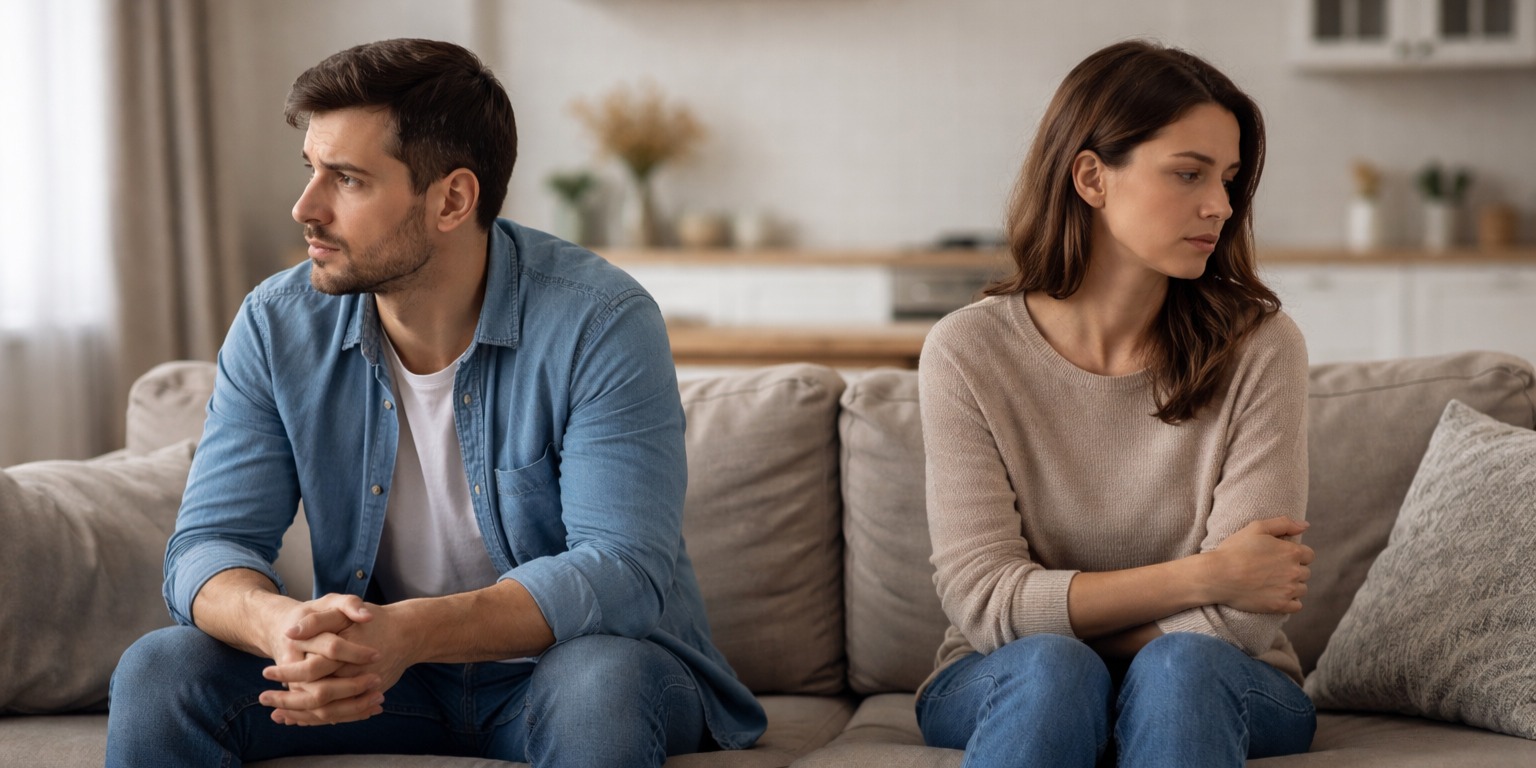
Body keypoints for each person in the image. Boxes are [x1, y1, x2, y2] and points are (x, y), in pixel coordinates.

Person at [106, 38, 765, 767]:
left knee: (599, 681)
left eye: (348, 180)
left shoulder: (599, 322)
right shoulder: (276, 324)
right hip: (383, 681)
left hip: (563, 673)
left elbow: (621, 570)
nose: (305, 208)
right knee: (162, 669)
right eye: (310, 170)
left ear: (452, 198)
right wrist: (282, 626)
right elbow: (206, 547)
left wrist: (411, 633)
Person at [915, 40, 1317, 767]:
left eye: (1229, 179)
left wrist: (1077, 621)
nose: (1220, 206)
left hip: (1223, 678)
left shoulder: (1262, 346)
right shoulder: (967, 352)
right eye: (1189, 173)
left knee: (1179, 668)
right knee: (1050, 669)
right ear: (1092, 178)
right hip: (1007, 678)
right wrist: (1203, 575)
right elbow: (984, 605)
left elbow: (1245, 614)